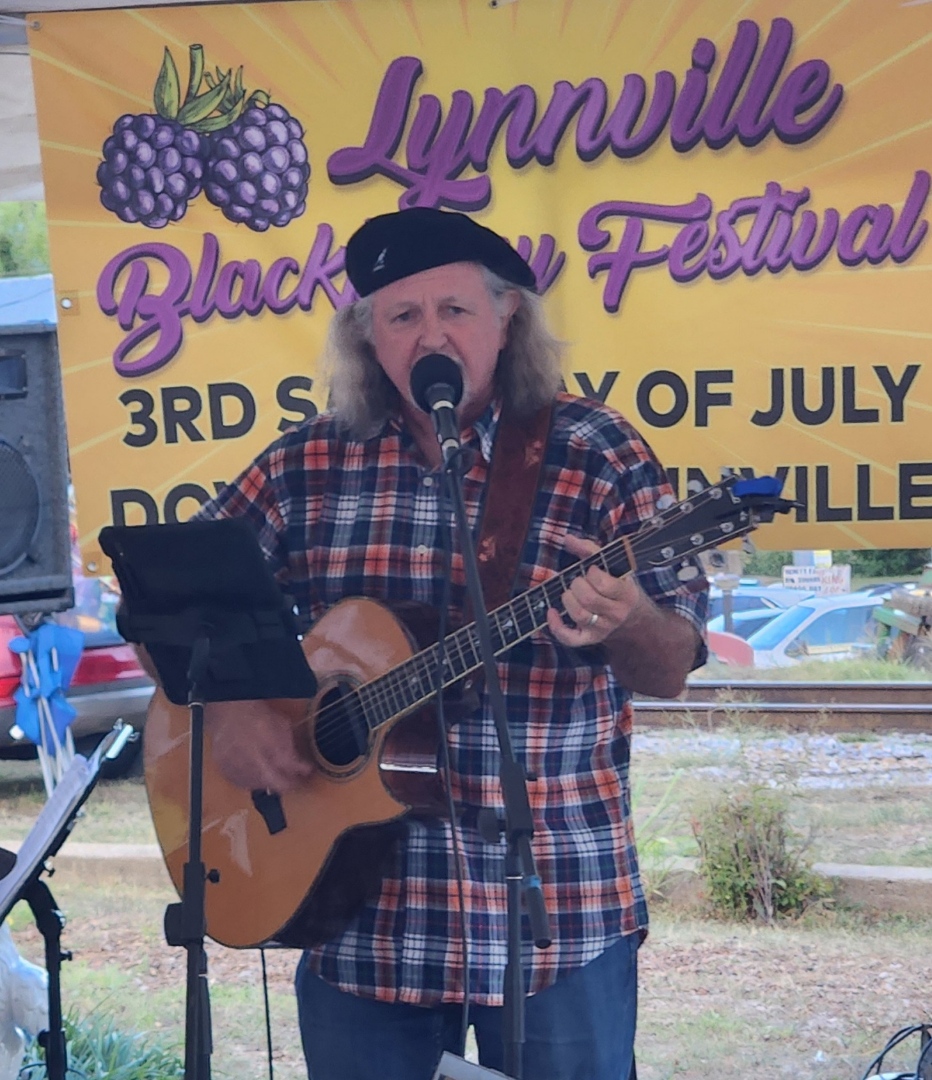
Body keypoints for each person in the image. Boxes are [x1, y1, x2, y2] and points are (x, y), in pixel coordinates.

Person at [196, 207, 708, 1080]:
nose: (430, 334)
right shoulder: (307, 462)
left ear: (507, 319)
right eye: (403, 316)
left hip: (555, 912)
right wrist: (235, 706)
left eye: (454, 311)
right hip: (361, 915)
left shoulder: (596, 451)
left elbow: (672, 667)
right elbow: (182, 595)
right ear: (369, 338)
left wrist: (629, 622)